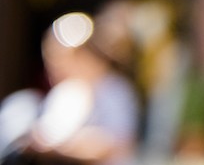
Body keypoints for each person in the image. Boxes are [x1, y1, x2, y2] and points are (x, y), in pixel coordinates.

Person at [1, 15, 140, 165]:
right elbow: (45, 135)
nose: (54, 69)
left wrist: (58, 147)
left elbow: (115, 146)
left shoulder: (115, 91)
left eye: (59, 59)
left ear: (82, 55)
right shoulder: (67, 92)